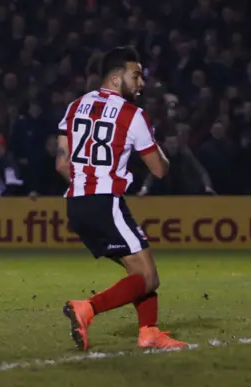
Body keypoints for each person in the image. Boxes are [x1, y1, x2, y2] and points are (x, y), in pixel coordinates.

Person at [56, 47, 187, 350]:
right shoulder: (133, 115)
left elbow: (61, 164)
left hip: (77, 202)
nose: (141, 83)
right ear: (116, 79)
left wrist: (86, 184)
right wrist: (160, 146)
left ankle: (149, 331)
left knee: (136, 271)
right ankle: (86, 308)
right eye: (136, 75)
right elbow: (159, 169)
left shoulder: (75, 106)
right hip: (106, 202)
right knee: (149, 277)